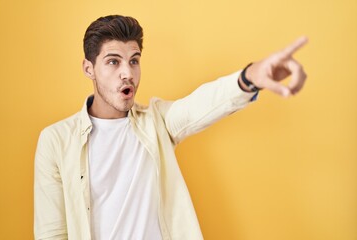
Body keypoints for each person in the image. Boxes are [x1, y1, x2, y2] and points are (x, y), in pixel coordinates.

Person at [34, 15, 307, 240]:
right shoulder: (57, 140)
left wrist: (250, 77)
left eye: (134, 60)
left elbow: (200, 105)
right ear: (88, 68)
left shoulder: (156, 122)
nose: (127, 72)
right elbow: (52, 233)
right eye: (113, 61)